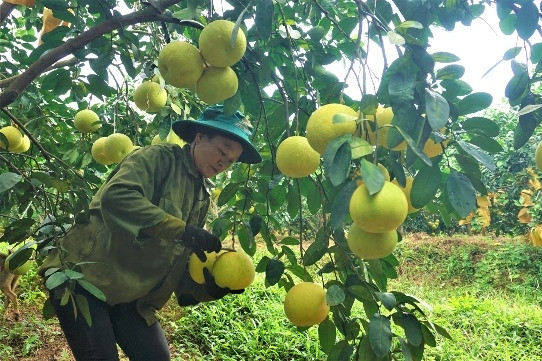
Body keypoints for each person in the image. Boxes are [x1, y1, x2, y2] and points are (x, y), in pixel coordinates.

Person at [38, 105, 261, 361]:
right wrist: (183, 230)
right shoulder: (158, 158)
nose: (224, 162)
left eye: (231, 160)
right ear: (200, 137)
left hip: (132, 296)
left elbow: (177, 259)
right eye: (222, 151)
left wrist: (208, 288)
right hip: (85, 278)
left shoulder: (201, 195)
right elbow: (117, 197)